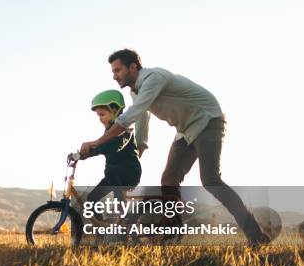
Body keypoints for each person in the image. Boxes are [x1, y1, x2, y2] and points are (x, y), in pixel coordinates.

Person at [79, 49, 270, 246]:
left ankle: (255, 236)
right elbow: (142, 119)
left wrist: (96, 142)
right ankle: (173, 233)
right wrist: (139, 149)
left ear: (133, 67)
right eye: (113, 71)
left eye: (117, 70)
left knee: (211, 180)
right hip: (185, 130)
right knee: (169, 179)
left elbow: (131, 115)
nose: (114, 76)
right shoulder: (136, 91)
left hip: (208, 119)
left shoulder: (154, 78)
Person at [69, 90, 141, 220]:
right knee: (91, 200)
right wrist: (82, 155)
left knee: (112, 171)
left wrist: (93, 148)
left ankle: (121, 205)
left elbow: (114, 147)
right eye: (98, 116)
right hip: (113, 176)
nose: (100, 119)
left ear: (115, 110)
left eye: (102, 114)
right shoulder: (108, 132)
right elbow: (102, 147)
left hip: (129, 173)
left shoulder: (126, 129)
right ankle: (101, 231)